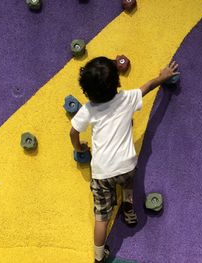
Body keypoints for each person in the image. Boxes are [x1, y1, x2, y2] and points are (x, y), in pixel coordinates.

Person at [70, 57, 179, 263]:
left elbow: (73, 133)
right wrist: (162, 77)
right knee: (128, 178)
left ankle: (99, 257)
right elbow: (147, 87)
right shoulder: (127, 98)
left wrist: (79, 147)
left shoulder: (88, 110)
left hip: (102, 174)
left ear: (87, 92)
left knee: (101, 218)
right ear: (118, 82)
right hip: (127, 166)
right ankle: (128, 206)